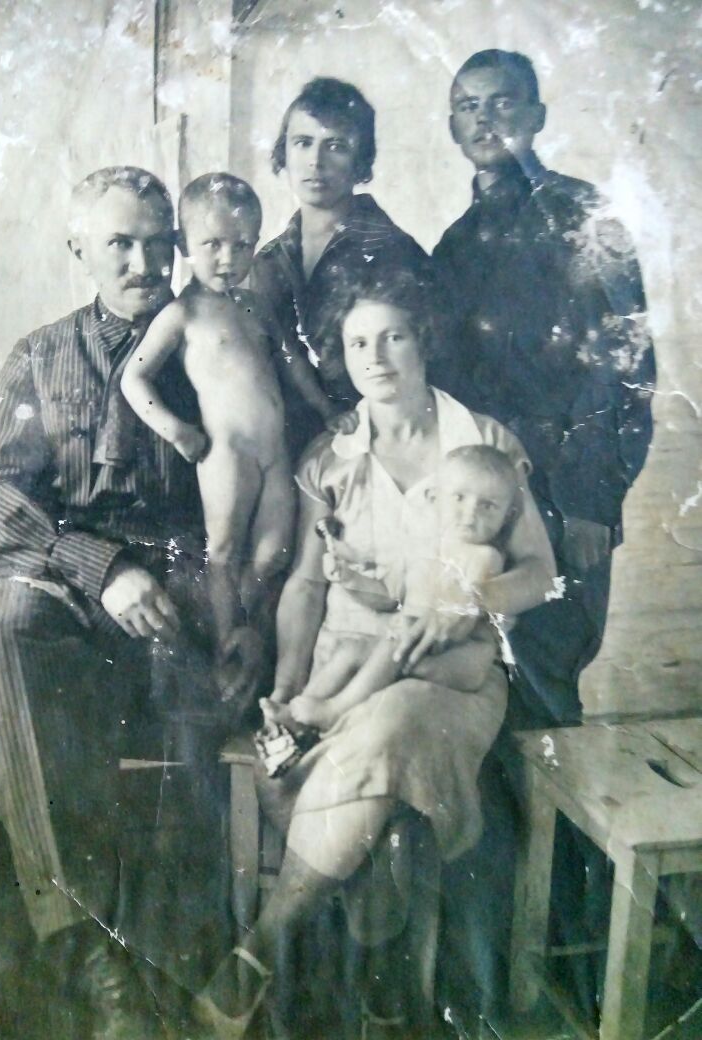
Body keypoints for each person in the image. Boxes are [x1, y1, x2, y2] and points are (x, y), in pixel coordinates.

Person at [191, 267, 556, 1039]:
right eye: (359, 343)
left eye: (394, 337)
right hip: (344, 665)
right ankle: (386, 988)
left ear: (424, 342)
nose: (377, 357)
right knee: (377, 784)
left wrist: (467, 603)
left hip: (451, 675)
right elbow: (305, 586)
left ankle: (263, 946)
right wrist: (286, 691)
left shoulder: (483, 444)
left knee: (392, 727)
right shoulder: (331, 456)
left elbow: (540, 574)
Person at [0, 167, 249, 1038]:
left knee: (188, 726)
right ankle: (85, 948)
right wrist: (99, 565)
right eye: (120, 243)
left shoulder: (212, 344)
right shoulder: (41, 356)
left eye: (160, 243)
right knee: (6, 621)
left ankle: (171, 965)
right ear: (79, 247)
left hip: (179, 593)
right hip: (69, 588)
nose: (144, 262)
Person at [429, 49, 656, 727]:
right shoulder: (455, 245)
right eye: (468, 106)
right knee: (477, 686)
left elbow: (624, 365)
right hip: (484, 502)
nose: (484, 119)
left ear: (537, 116)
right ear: (452, 126)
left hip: (567, 496)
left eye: (501, 102)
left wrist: (591, 501)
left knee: (547, 684)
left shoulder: (582, 214)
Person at [121, 173, 347, 680]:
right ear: (183, 245)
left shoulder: (256, 306)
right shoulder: (181, 314)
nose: (229, 258)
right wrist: (176, 430)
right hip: (226, 451)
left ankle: (250, 643)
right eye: (213, 245)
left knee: (272, 555)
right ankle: (227, 643)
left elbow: (292, 363)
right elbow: (134, 378)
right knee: (222, 552)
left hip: (274, 451)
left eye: (243, 245)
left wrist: (326, 408)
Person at [261, 444, 519, 740]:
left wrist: (412, 625)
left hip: (461, 658)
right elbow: (388, 596)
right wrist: (349, 577)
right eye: (459, 498)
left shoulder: (485, 557)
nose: (470, 513)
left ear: (507, 516)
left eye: (488, 506)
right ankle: (294, 713)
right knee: (350, 650)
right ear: (434, 498)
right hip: (408, 647)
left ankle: (334, 710)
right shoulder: (422, 553)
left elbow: (460, 616)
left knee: (392, 645)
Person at [251, 76, 430, 460]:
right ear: (284, 152)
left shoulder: (392, 250)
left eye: (336, 146)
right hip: (288, 447)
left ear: (361, 160)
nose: (315, 162)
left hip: (377, 447)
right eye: (303, 143)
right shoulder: (267, 259)